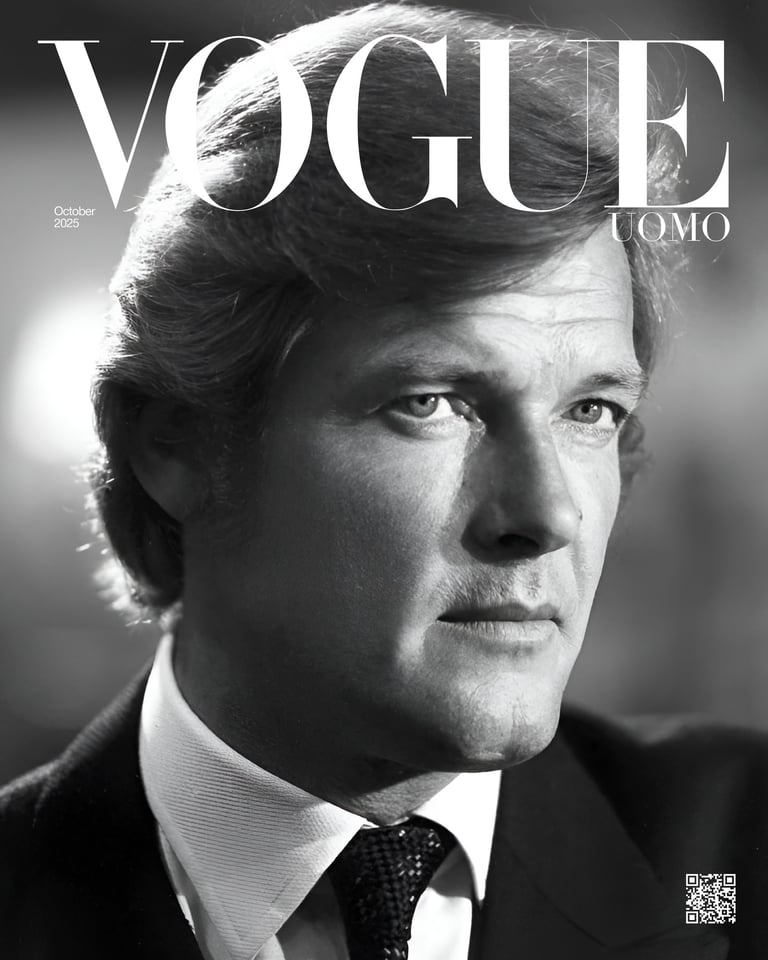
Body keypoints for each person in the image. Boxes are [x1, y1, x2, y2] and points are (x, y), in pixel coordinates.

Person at [1, 4, 766, 958]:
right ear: (176, 447)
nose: (546, 514)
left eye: (591, 411)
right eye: (432, 402)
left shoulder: (734, 865)